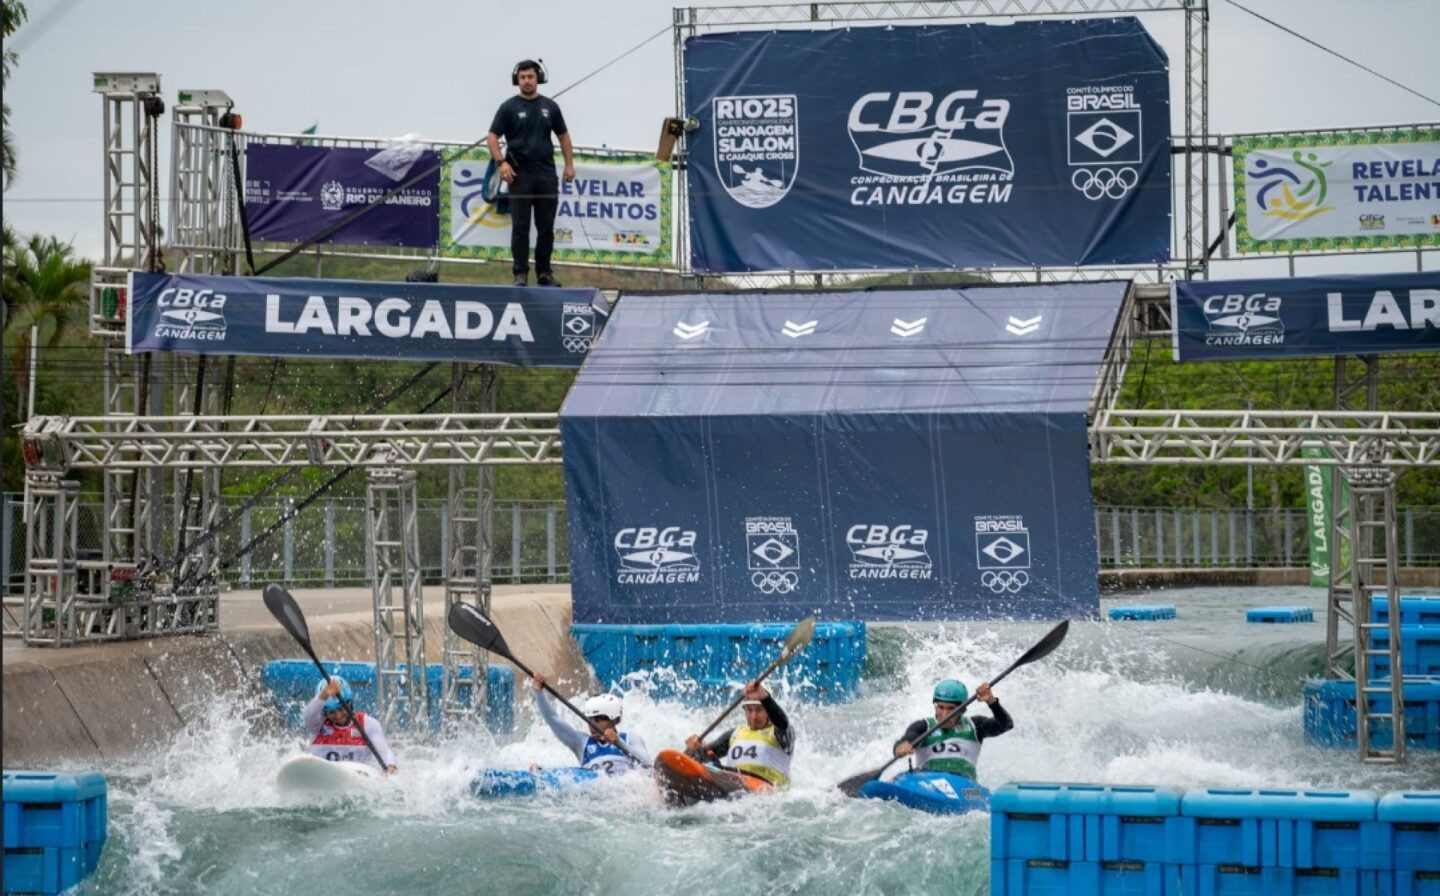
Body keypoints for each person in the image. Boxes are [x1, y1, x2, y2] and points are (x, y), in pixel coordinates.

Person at [486, 59, 575, 288]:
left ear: (538, 79)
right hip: (519, 175)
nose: (526, 81)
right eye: (522, 77)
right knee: (521, 227)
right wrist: (501, 163)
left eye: (530, 77)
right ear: (517, 80)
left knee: (546, 227)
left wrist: (569, 165)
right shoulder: (508, 107)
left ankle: (544, 273)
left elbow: (563, 137)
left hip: (546, 174)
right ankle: (520, 273)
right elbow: (492, 137)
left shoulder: (550, 107)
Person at [891, 678, 1011, 780]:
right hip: (928, 780)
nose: (944, 714)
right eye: (941, 707)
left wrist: (992, 702)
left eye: (951, 709)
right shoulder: (923, 726)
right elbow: (909, 737)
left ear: (963, 710)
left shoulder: (976, 725)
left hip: (964, 787)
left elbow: (1006, 725)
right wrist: (901, 746)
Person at [532, 673, 651, 774]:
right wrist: (539, 692)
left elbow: (648, 765)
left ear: (613, 719)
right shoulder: (581, 742)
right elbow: (553, 720)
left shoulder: (631, 739)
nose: (593, 725)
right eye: (590, 720)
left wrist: (618, 742)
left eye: (599, 719)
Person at [684, 681, 794, 788]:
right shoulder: (735, 734)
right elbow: (707, 753)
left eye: (759, 710)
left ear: (769, 711)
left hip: (766, 788)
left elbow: (782, 723)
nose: (754, 717)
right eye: (749, 710)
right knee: (701, 755)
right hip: (731, 781)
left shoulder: (780, 733)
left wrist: (765, 698)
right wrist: (695, 748)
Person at [303, 677, 398, 775]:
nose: (338, 716)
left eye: (341, 709)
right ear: (324, 712)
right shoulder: (317, 725)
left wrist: (390, 766)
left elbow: (384, 751)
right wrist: (324, 695)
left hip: (356, 781)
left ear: (350, 704)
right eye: (331, 712)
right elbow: (307, 717)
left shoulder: (368, 724)